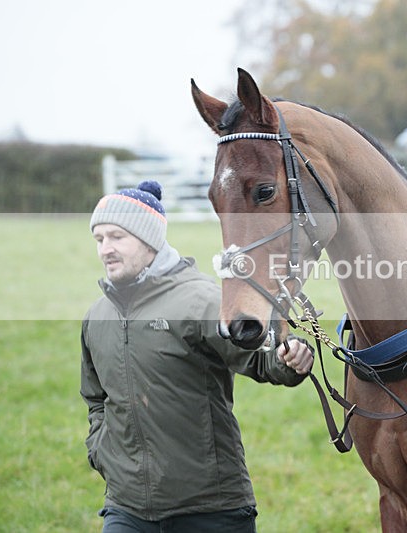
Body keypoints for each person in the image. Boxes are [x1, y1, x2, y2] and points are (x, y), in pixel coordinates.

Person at [80, 180, 314, 533]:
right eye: (100, 239)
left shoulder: (200, 300)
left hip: (210, 509)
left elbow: (261, 359)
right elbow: (95, 398)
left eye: (117, 237)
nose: (105, 249)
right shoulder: (97, 317)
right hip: (125, 508)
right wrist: (101, 450)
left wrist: (289, 358)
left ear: (149, 240)